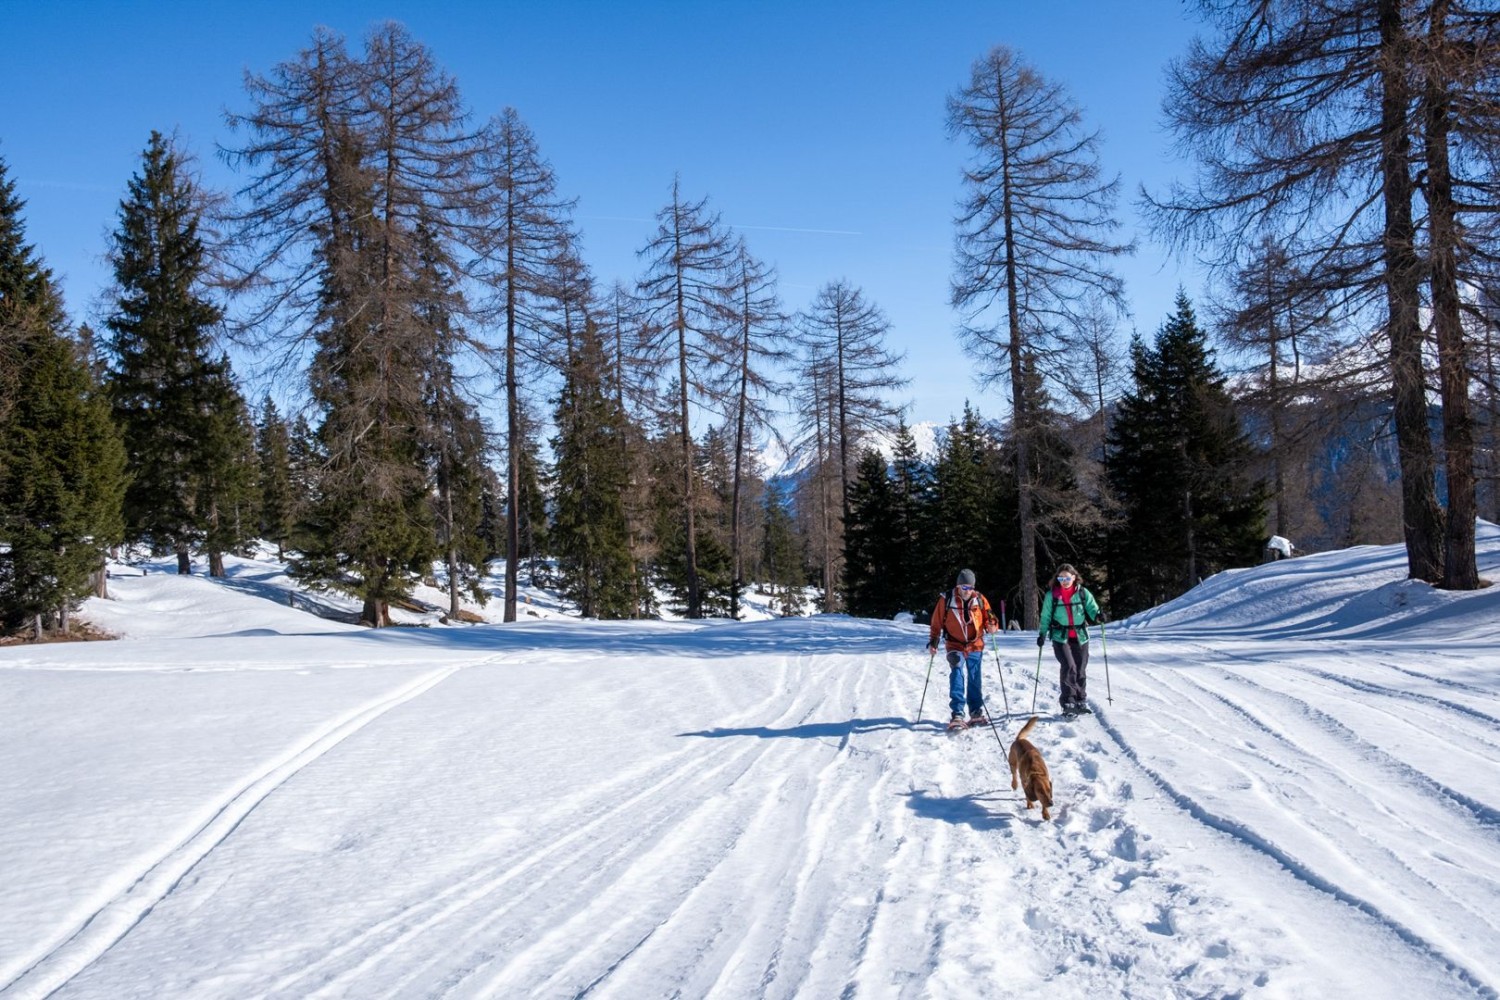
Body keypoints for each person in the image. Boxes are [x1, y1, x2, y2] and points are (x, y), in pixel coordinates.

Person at [927, 569, 998, 729]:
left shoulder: (979, 599)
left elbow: (990, 618)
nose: (967, 591)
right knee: (957, 674)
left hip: (975, 644)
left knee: (974, 677)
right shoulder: (946, 599)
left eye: (970, 587)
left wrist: (992, 625)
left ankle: (975, 712)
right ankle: (957, 713)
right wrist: (933, 642)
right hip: (954, 644)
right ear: (958, 586)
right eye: (964, 587)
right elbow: (936, 622)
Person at [1037, 564, 1103, 717]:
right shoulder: (1051, 595)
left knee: (1080, 668)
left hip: (1080, 636)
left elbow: (1092, 608)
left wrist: (1098, 616)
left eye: (1067, 578)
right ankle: (1068, 701)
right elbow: (1046, 616)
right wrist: (1042, 634)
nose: (1064, 581)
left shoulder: (1082, 593)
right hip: (1060, 636)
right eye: (1061, 578)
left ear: (1074, 577)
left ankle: (1080, 699)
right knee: (1069, 666)